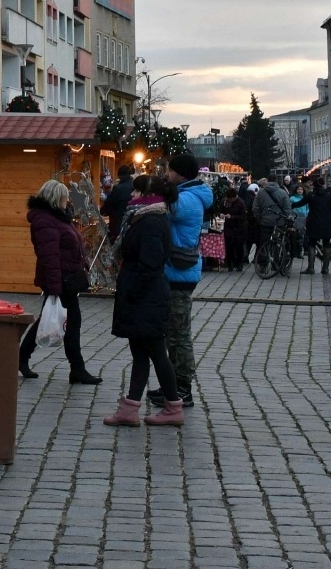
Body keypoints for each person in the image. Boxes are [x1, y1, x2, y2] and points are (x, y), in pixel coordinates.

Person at [104, 176, 183, 427]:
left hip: (146, 297)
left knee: (157, 353)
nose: (132, 195)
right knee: (140, 353)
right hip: (143, 296)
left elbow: (150, 263)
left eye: (137, 190)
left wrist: (133, 292)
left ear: (147, 194)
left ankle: (173, 407)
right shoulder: (144, 218)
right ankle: (130, 408)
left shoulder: (149, 221)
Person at [18, 180, 100, 384]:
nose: (67, 200)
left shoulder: (60, 218)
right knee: (68, 323)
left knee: (51, 320)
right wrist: (54, 287)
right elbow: (49, 256)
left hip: (66, 278)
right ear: (56, 198)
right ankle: (77, 369)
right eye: (65, 197)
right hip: (60, 280)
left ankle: (22, 358)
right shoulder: (45, 220)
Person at [153, 153, 208, 408]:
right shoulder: (189, 194)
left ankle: (182, 389)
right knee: (172, 333)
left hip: (179, 272)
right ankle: (172, 386)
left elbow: (165, 208)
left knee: (178, 335)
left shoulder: (186, 198)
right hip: (176, 271)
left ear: (181, 174)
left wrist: (156, 188)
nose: (167, 174)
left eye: (170, 170)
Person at [252, 177, 291, 273]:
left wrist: (260, 219)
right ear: (277, 182)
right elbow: (287, 208)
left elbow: (255, 208)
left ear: (267, 182)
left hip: (265, 222)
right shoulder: (283, 193)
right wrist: (286, 218)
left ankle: (263, 264)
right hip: (279, 222)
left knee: (264, 242)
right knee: (278, 242)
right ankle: (277, 263)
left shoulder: (261, 193)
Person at [302, 182, 331, 274]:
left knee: (311, 243)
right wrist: (329, 217)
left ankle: (311, 268)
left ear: (314, 187)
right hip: (327, 223)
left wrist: (290, 205)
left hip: (314, 223)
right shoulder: (328, 196)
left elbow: (300, 203)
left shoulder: (311, 195)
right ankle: (325, 268)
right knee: (326, 244)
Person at [102, 162, 136, 241]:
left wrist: (103, 211)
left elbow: (109, 204)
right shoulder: (134, 187)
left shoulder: (118, 188)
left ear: (119, 176)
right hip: (132, 224)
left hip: (118, 223)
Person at [221, 186, 250, 272]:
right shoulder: (224, 201)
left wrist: (232, 217)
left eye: (230, 199)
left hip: (239, 228)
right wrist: (221, 214)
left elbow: (243, 216)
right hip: (228, 227)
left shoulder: (240, 203)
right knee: (229, 246)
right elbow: (220, 210)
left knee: (239, 246)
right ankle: (230, 264)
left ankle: (239, 264)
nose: (229, 200)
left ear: (234, 197)